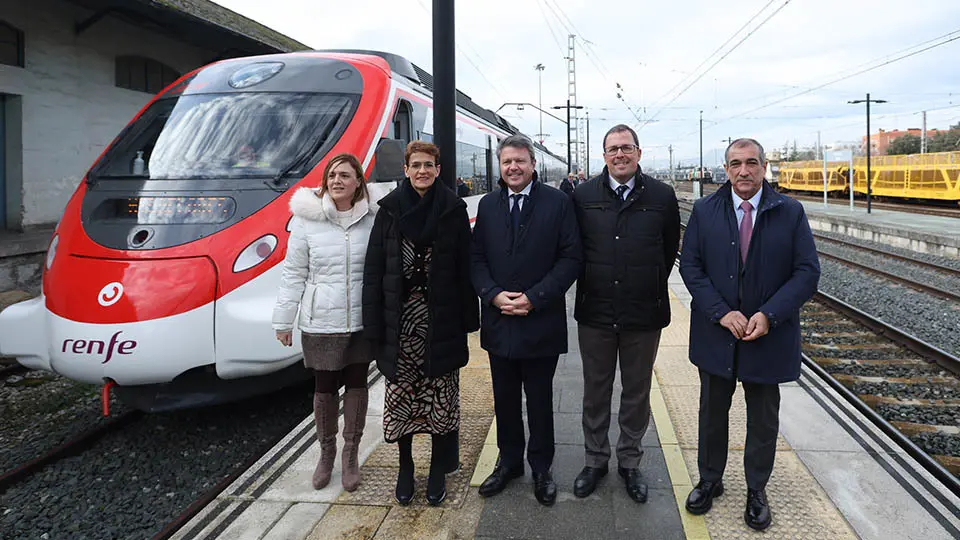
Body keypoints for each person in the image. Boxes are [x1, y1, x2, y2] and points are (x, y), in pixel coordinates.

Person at [680, 138, 820, 531]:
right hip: (716, 332)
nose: (744, 171)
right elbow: (691, 266)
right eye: (736, 164)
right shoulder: (705, 210)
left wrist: (769, 315)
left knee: (763, 419)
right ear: (726, 169)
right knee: (711, 413)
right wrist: (720, 313)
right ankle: (710, 480)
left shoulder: (789, 212)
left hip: (767, 335)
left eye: (752, 163)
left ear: (764, 167)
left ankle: (757, 489)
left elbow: (807, 272)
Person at [362, 140, 479, 506]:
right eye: (416, 165)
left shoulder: (453, 210)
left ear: (438, 169)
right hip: (399, 325)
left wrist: (467, 322)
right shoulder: (390, 210)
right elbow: (374, 268)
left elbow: (465, 267)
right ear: (406, 170)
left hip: (440, 322)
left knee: (441, 401)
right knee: (402, 402)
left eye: (429, 165)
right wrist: (373, 327)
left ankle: (437, 470)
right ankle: (406, 467)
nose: (423, 171)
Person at [571, 124, 681, 504]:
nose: (620, 155)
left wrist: (645, 283)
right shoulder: (582, 196)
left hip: (643, 314)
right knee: (595, 391)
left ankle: (630, 463)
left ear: (638, 152)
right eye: (613, 149)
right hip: (596, 312)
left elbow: (668, 252)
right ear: (603, 156)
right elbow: (575, 250)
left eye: (626, 148)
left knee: (637, 392)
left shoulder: (663, 197)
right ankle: (595, 460)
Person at [471, 134, 582, 507]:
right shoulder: (488, 205)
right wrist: (492, 294)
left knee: (539, 399)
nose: (513, 168)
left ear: (532, 164)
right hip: (500, 319)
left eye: (520, 161)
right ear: (499, 167)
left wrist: (535, 298)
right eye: (507, 162)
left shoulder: (558, 203)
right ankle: (509, 463)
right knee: (504, 399)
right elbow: (476, 259)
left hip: (540, 320)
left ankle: (541, 468)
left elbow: (570, 258)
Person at [272, 153, 376, 493]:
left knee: (358, 386)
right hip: (321, 321)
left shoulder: (373, 217)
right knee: (325, 389)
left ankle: (350, 455)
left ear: (358, 181)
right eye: (332, 175)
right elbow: (293, 272)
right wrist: (283, 321)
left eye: (345, 175)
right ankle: (326, 453)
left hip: (361, 319)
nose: (337, 181)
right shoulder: (307, 220)